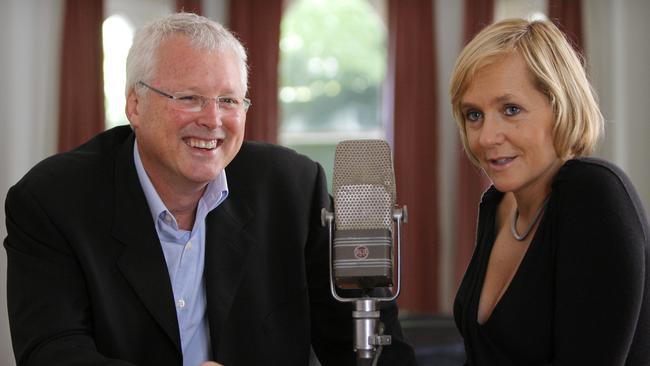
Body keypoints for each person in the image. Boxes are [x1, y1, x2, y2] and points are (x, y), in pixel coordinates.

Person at [4, 13, 415, 366]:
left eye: (229, 100)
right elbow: (51, 351)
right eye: (189, 97)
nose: (212, 119)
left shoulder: (291, 188)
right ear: (134, 105)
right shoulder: (52, 200)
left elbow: (367, 342)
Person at [450, 18, 650, 365]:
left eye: (511, 110)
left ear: (560, 108)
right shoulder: (497, 205)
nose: (486, 137)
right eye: (474, 115)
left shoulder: (593, 194)